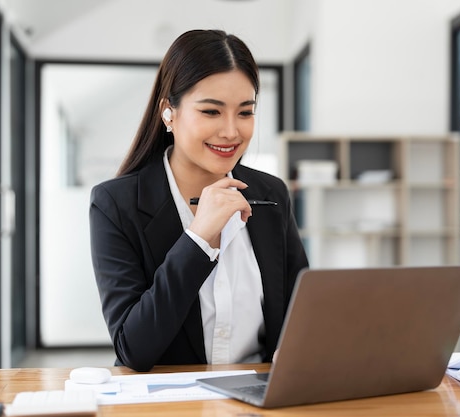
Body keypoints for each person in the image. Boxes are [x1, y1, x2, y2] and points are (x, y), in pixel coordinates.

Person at [89, 29, 309, 372]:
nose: (231, 131)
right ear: (168, 113)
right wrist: (198, 239)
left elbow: (302, 312)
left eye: (245, 112)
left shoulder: (272, 194)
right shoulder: (115, 204)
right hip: (168, 404)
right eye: (211, 112)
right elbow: (134, 349)